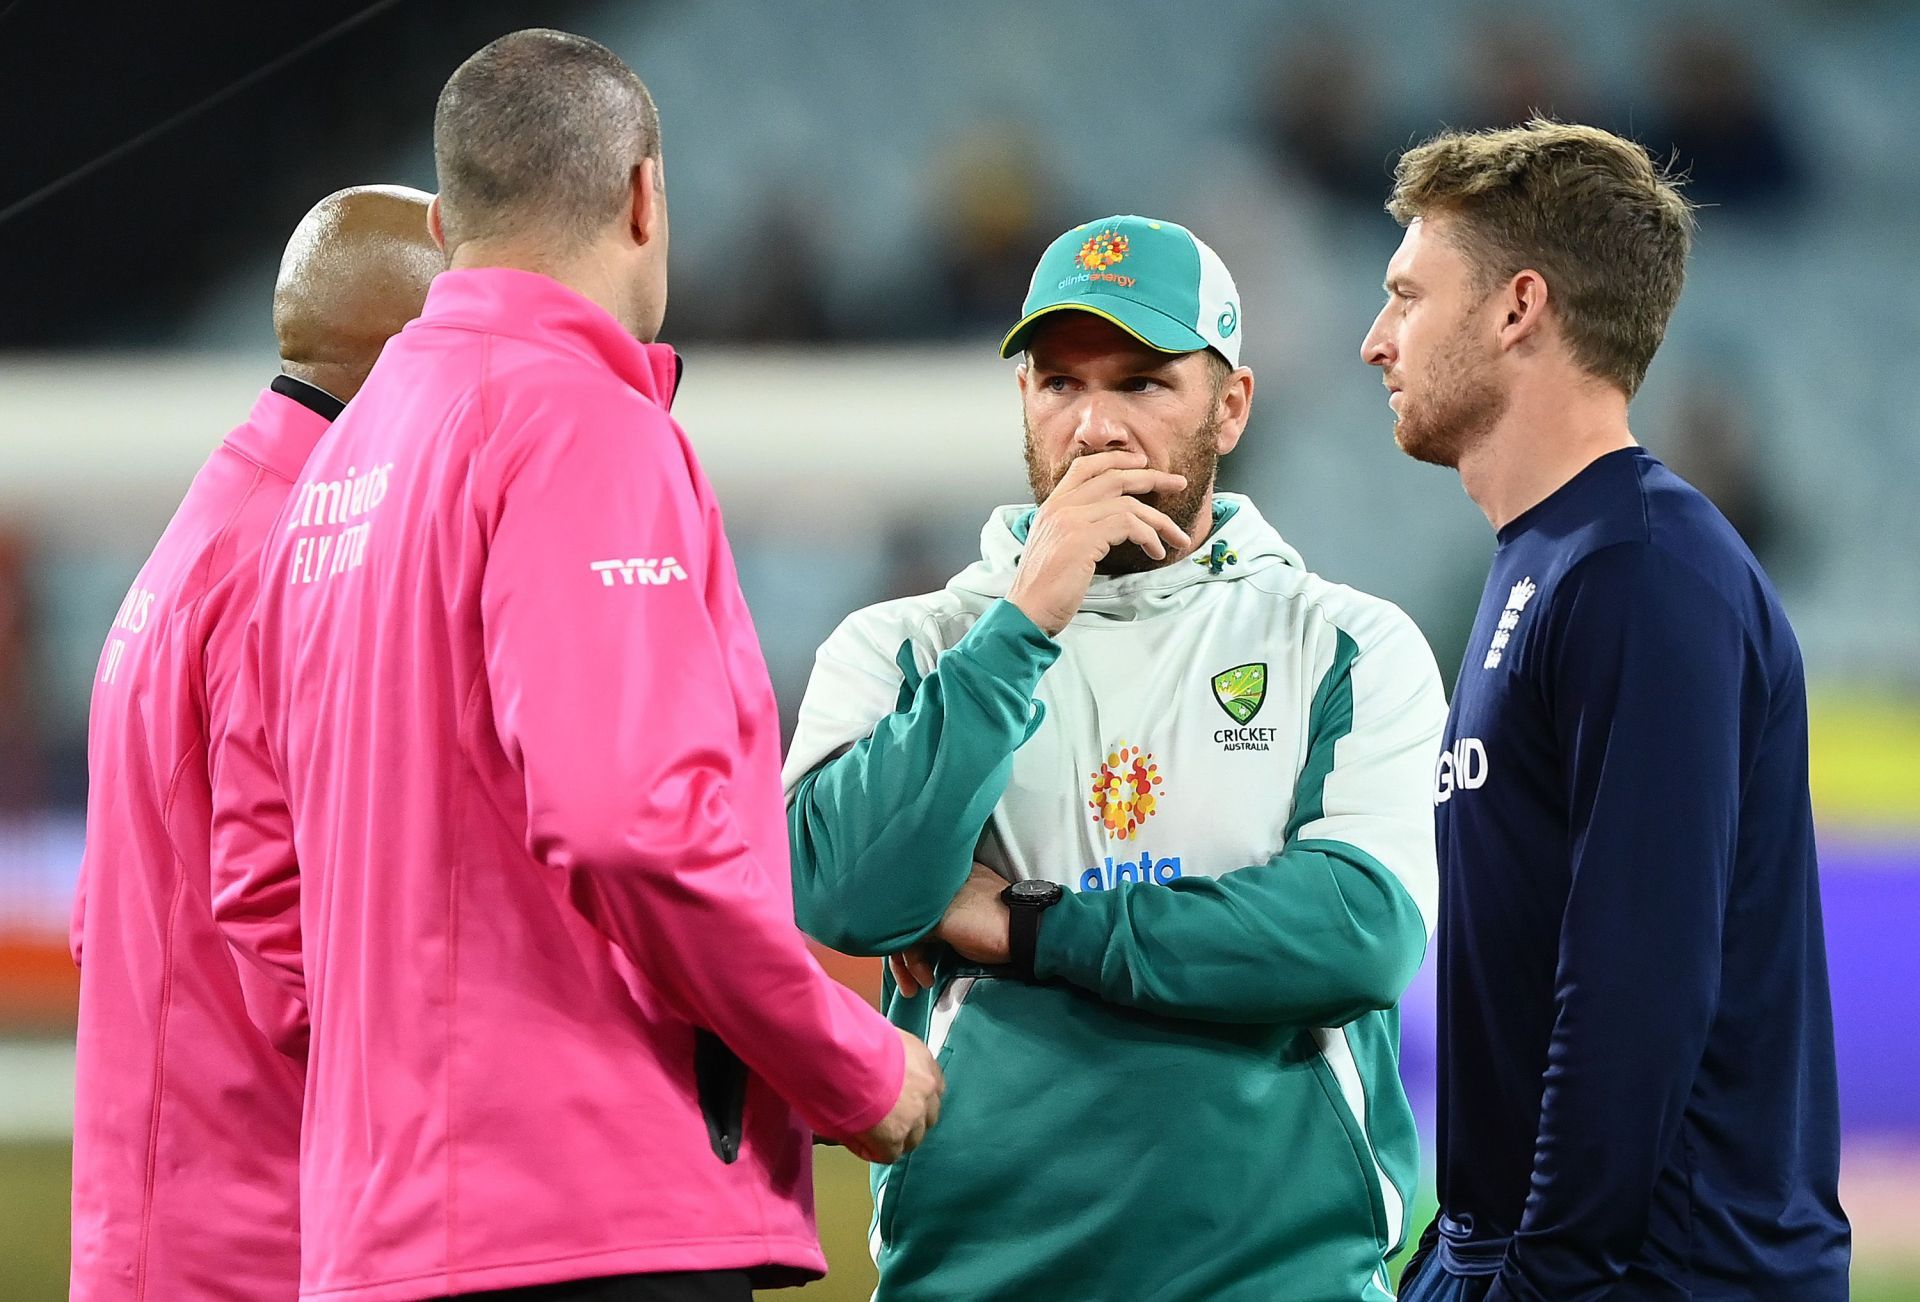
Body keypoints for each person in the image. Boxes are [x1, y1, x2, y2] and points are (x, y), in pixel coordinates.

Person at [208, 29, 941, 1302]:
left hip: (375, 1228)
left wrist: (413, 1090)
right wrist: (847, 1062)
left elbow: (258, 884)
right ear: (648, 197)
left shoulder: (337, 465)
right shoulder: (581, 424)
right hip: (590, 1219)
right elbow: (624, 822)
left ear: (445, 223)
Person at [785, 214, 1448, 1301]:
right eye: (1059, 385)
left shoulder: (1341, 641)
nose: (1095, 427)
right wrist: (1022, 624)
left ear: (1230, 405)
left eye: (1144, 384)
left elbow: (1355, 935)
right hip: (977, 1280)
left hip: (1278, 1283)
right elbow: (843, 894)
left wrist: (1026, 926)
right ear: (1024, 403)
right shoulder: (904, 646)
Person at [1362, 119, 1849, 1301]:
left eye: (1407, 298)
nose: (1376, 342)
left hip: (1653, 1274)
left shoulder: (1639, 573)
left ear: (1517, 307)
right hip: (1543, 1256)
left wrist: (1540, 1275)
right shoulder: (1559, 559)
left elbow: (1638, 979)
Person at [69, 185, 440, 1300]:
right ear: (405, 351)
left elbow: (102, 920)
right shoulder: (302, 554)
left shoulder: (215, 520)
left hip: (167, 1218)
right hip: (250, 1235)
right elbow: (294, 954)